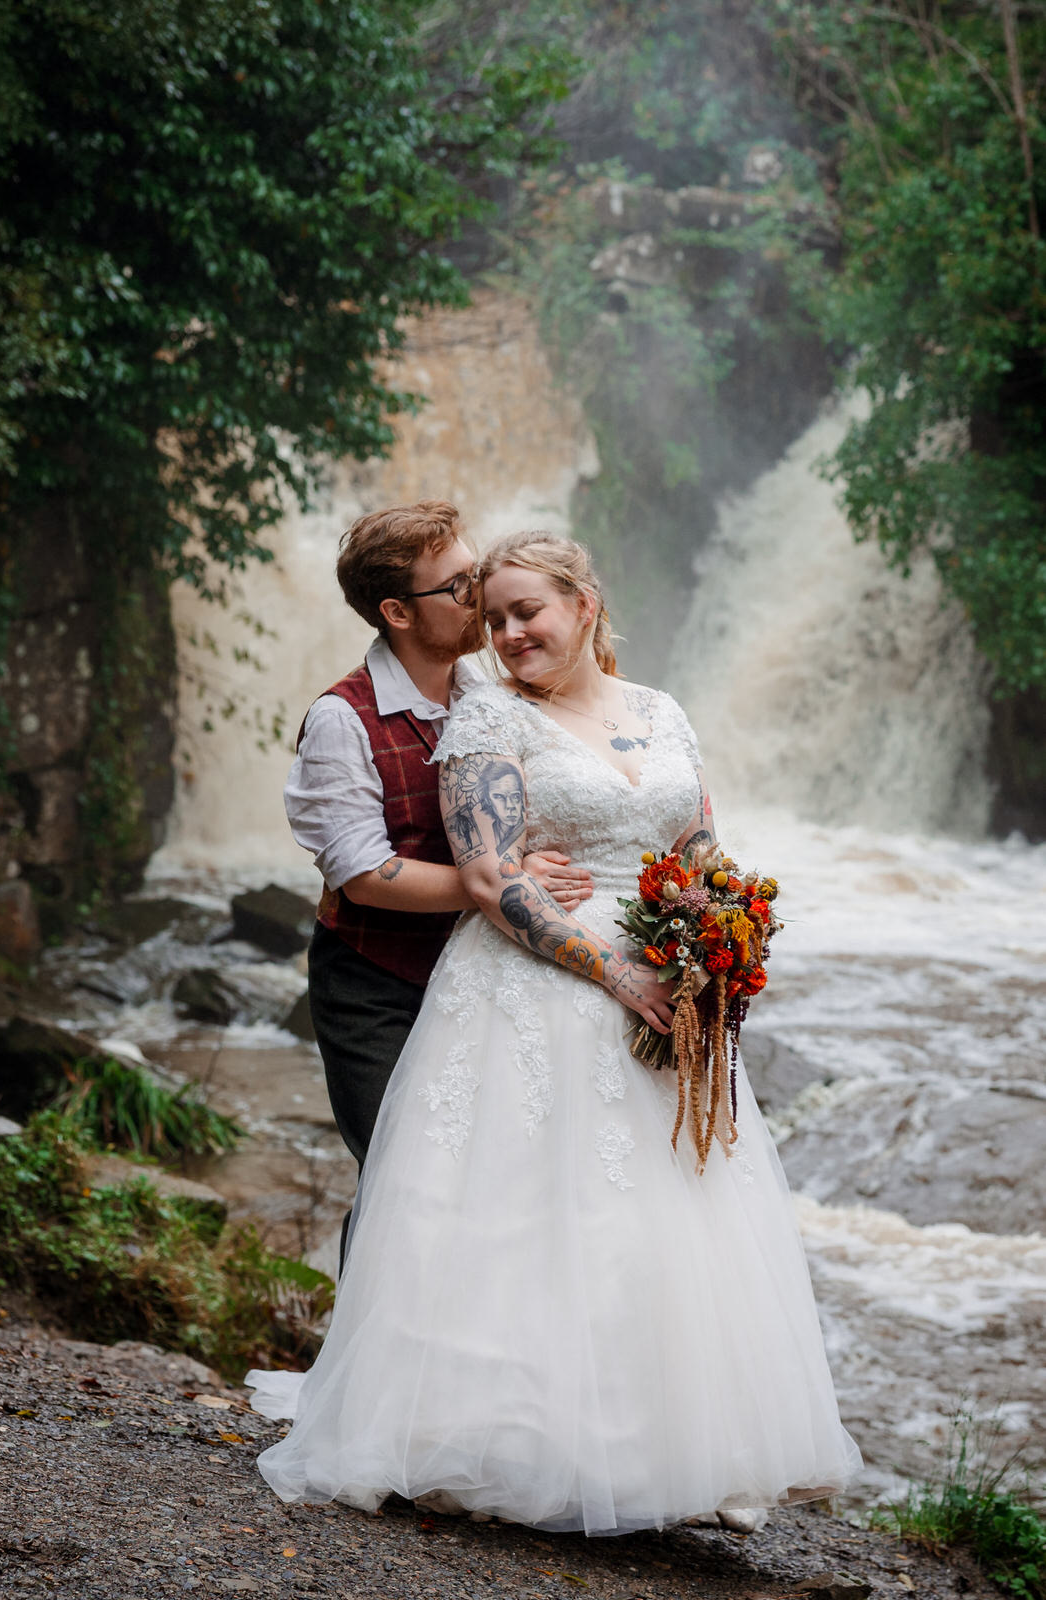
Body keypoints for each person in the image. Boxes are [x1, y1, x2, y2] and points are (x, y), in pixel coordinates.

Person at [250, 530, 861, 1534]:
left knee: (663, 1219)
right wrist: (617, 973)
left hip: (663, 985)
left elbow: (699, 845)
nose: (507, 632)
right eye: (490, 617)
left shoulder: (660, 711)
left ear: (585, 604)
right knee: (525, 1215)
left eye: (526, 610)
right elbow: (490, 881)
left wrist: (722, 944)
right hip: (532, 990)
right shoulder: (485, 715)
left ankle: (669, 1456)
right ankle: (506, 1439)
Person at [284, 503, 593, 1260]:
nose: (478, 594)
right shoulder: (342, 719)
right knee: (403, 1180)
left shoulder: (490, 692)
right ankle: (361, 1369)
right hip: (374, 986)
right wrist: (503, 883)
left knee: (490, 1183)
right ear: (395, 612)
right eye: (457, 585)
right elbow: (364, 875)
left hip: (485, 975)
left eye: (474, 572)